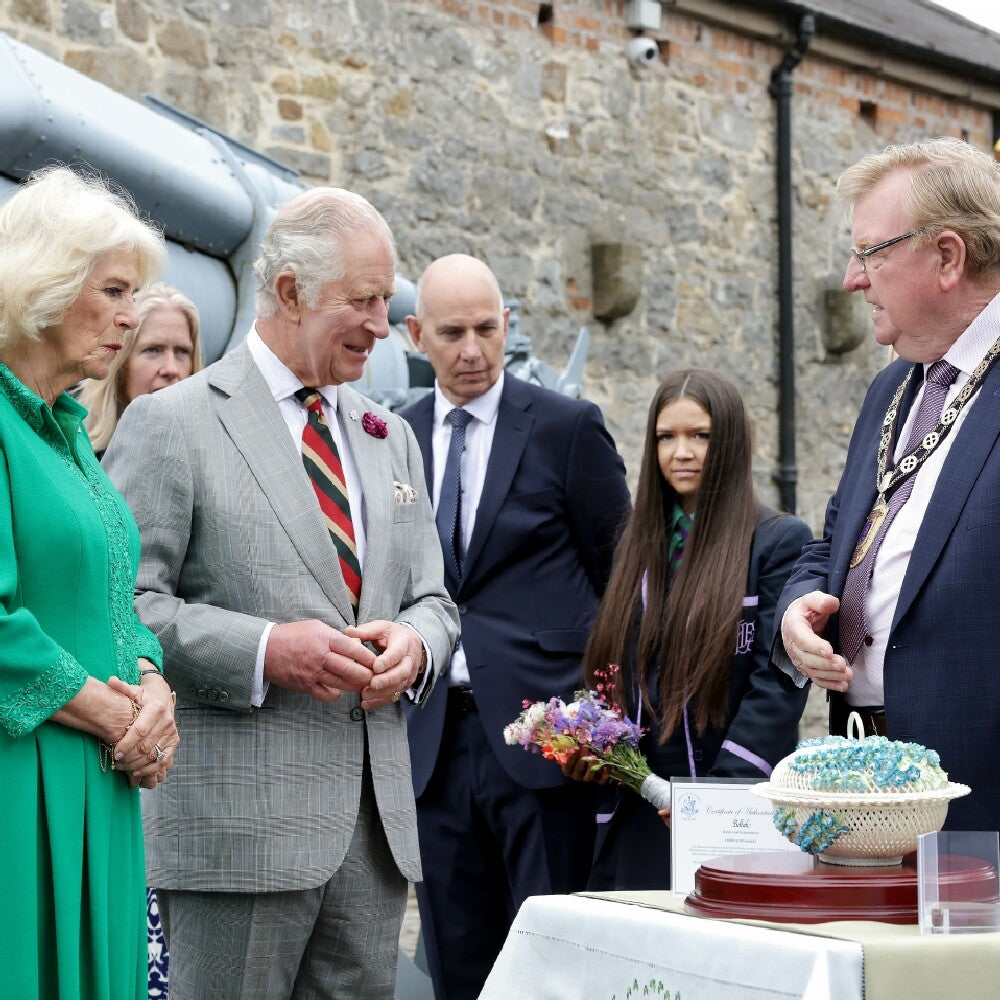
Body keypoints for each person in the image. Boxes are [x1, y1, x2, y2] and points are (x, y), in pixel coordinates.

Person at [104, 187, 459, 1000]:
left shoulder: (389, 432)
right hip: (235, 840)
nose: (382, 322)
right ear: (292, 291)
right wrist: (267, 651)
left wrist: (418, 645)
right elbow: (125, 606)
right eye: (363, 300)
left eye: (386, 298)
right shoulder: (173, 422)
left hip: (371, 845)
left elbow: (435, 601)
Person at [400, 253, 631, 1000]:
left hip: (542, 741)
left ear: (508, 326)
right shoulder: (391, 437)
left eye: (486, 329)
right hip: (430, 743)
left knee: (553, 964)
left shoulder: (567, 428)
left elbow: (623, 581)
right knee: (454, 961)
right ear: (414, 336)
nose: (472, 350)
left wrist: (607, 720)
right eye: (452, 332)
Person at [774, 136, 1000, 834]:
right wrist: (796, 610)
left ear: (947, 257)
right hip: (862, 759)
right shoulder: (891, 389)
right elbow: (836, 536)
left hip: (978, 792)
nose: (851, 278)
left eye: (871, 252)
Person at [0, 166, 179, 999]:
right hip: (20, 774)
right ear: (45, 280)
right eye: (113, 290)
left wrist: (149, 681)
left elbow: (115, 597)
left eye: (133, 293)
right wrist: (117, 715)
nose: (131, 316)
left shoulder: (70, 430)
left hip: (99, 783)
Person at [562, 368, 811, 890]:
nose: (682, 452)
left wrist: (717, 799)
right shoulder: (635, 542)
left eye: (701, 436)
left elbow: (778, 681)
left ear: (731, 443)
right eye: (666, 437)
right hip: (641, 810)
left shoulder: (777, 541)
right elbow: (610, 663)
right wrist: (593, 745)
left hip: (733, 805)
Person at [79, 282, 202, 455]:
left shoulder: (212, 460)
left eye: (182, 351)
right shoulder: (77, 457)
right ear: (120, 365)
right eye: (152, 350)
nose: (171, 369)